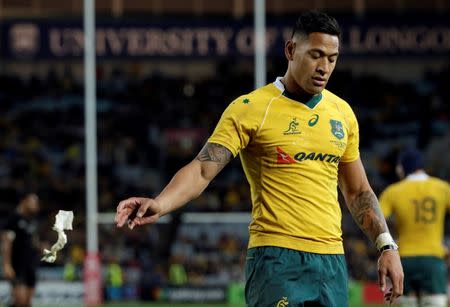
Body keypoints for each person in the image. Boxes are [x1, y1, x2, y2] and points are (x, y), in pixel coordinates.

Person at [115, 10, 404, 306]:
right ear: (291, 50)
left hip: (331, 261)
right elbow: (203, 169)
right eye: (316, 55)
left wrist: (386, 246)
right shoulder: (250, 108)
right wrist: (160, 203)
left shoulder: (342, 114)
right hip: (276, 259)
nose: (324, 67)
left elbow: (358, 191)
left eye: (332, 58)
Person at [379, 149, 450, 307]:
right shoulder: (443, 188)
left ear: (401, 168)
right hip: (434, 258)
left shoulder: (393, 191)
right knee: (435, 302)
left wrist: (387, 248)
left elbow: (376, 219)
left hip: (404, 260)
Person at [1, 193, 40, 307]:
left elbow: (33, 242)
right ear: (24, 201)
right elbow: (6, 242)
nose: (36, 205)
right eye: (33, 202)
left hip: (31, 265)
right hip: (17, 265)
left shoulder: (32, 220)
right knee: (21, 301)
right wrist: (6, 264)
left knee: (27, 303)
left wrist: (44, 248)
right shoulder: (13, 219)